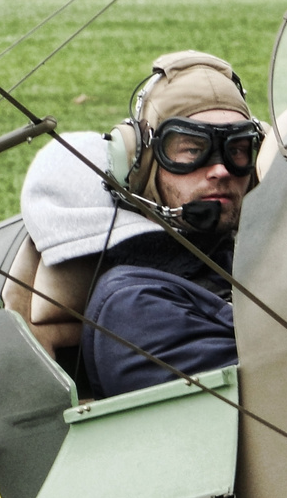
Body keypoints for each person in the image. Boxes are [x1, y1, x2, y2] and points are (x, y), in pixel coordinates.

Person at [80, 51, 264, 399]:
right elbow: (286, 393)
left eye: (238, 149)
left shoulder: (246, 252)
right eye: (192, 149)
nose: (221, 169)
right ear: (142, 161)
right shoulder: (134, 307)